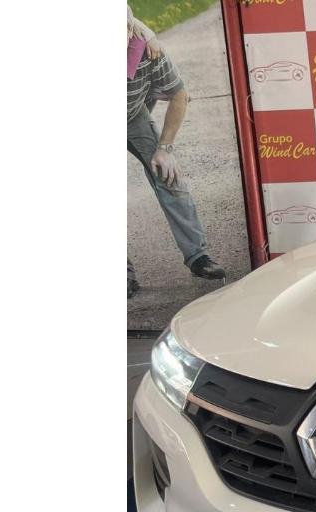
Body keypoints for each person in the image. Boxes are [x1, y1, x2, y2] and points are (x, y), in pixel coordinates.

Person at [127, 6, 225, 298]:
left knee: (168, 175)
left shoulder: (147, 50)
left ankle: (198, 256)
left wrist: (165, 149)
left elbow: (179, 95)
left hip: (131, 116)